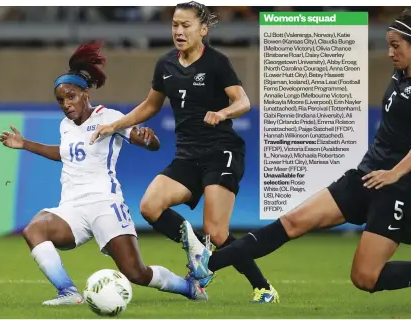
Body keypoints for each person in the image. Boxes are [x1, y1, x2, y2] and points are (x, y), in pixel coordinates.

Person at [180, 9, 411, 294]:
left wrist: (395, 173)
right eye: (388, 45)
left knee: (365, 278)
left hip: (398, 189)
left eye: (396, 46)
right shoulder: (402, 74)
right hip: (365, 177)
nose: (390, 53)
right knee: (293, 221)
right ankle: (207, 265)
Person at [89, 1, 279, 303]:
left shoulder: (217, 62)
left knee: (218, 232)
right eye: (175, 24)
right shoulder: (165, 65)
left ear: (203, 29)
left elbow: (243, 101)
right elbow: (151, 106)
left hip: (222, 151)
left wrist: (223, 113)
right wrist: (116, 125)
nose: (179, 30)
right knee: (150, 206)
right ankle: (195, 247)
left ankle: (264, 287)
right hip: (188, 156)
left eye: (186, 25)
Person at [0, 40, 208, 306]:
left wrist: (148, 138)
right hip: (72, 207)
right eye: (60, 100)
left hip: (105, 205)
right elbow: (64, 153)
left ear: (86, 94)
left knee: (136, 273)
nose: (66, 104)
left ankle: (189, 288)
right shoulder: (66, 125)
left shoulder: (109, 117)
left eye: (71, 96)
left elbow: (151, 144)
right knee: (34, 230)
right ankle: (68, 292)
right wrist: (25, 144)